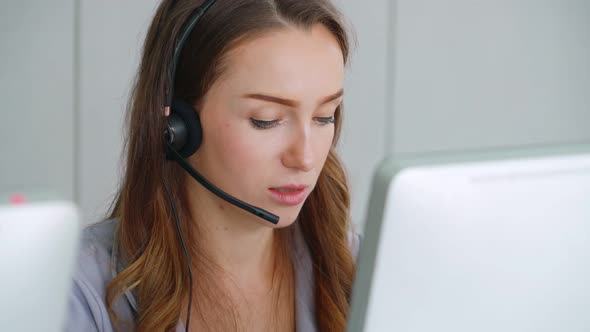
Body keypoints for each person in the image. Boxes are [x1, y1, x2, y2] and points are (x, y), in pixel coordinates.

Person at [64, 0, 360, 331]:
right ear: (177, 127)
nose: (305, 158)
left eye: (324, 116)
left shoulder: (363, 268)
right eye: (266, 120)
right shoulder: (75, 290)